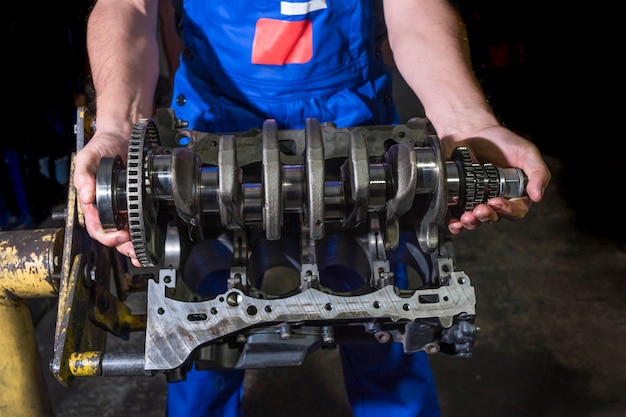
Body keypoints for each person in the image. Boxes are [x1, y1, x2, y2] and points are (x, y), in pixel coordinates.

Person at [73, 1, 552, 416]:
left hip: (354, 129)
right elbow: (129, 6)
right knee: (203, 335)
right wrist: (115, 123)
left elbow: (412, 6)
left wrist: (467, 120)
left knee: (387, 323)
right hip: (213, 137)